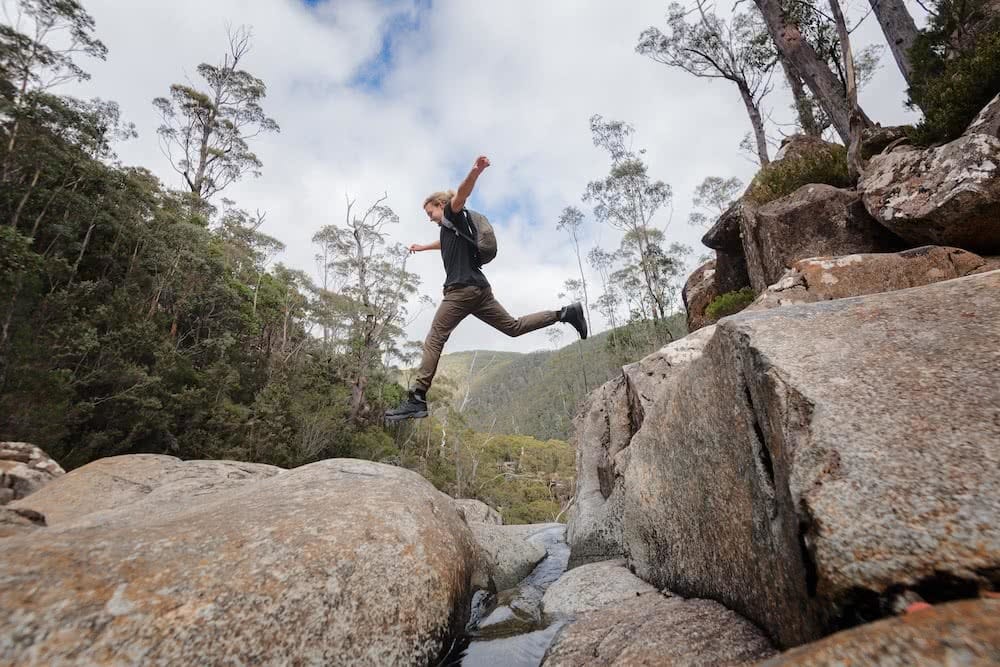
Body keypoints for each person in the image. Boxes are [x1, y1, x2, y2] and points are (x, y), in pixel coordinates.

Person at [385, 155, 588, 422]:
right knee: (513, 328)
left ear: (440, 205)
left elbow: (461, 195)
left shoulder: (453, 212)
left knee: (434, 339)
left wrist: (475, 171)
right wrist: (423, 247)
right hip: (480, 291)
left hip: (460, 292)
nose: (429, 217)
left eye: (429, 212)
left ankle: (417, 399)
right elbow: (444, 243)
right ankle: (565, 313)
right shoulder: (453, 228)